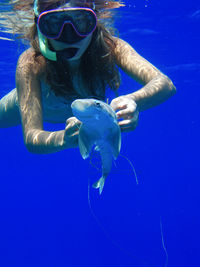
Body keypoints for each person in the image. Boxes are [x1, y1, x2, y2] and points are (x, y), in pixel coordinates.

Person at [0, 0, 176, 154]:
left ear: (95, 22)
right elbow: (32, 138)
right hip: (20, 104)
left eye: (81, 22)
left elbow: (165, 83)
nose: (69, 37)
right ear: (40, 28)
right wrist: (63, 138)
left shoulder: (113, 47)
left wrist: (134, 100)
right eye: (53, 24)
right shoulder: (31, 63)